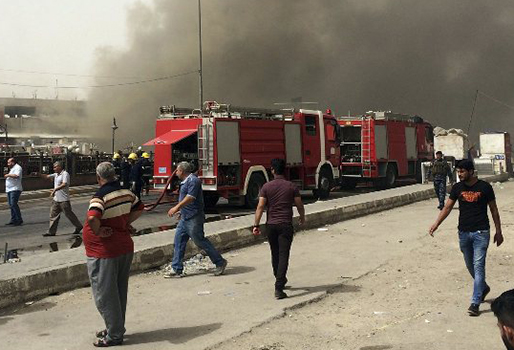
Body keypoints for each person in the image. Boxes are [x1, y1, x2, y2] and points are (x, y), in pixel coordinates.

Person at [429, 159, 503, 316]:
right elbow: (448, 207)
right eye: (458, 171)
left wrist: (498, 231)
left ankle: (475, 303)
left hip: (481, 232)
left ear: (471, 171)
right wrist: (437, 223)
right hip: (463, 232)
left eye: (462, 171)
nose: (459, 174)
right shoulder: (457, 188)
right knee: (470, 265)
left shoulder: (485, 187)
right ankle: (483, 287)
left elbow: (494, 210)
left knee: (478, 266)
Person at [83, 162, 143, 347]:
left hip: (105, 251)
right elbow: (140, 208)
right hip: (123, 248)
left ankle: (114, 335)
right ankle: (114, 327)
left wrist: (98, 231)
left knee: (105, 294)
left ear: (98, 177)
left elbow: (93, 217)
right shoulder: (126, 192)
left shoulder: (100, 196)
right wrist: (124, 222)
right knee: (118, 292)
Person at [253, 158, 305, 299]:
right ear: (284, 170)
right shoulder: (292, 186)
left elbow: (260, 206)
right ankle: (279, 286)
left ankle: (279, 277)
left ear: (272, 170)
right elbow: (299, 204)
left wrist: (256, 225)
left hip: (271, 225)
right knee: (283, 255)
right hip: (285, 225)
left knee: (275, 253)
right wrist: (302, 216)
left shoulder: (266, 187)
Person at [165, 161, 227, 278]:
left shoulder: (193, 181)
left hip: (194, 217)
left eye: (177, 170)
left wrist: (177, 207)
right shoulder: (186, 181)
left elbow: (190, 198)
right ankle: (176, 268)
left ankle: (219, 262)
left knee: (200, 241)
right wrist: (181, 211)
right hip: (185, 217)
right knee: (179, 241)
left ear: (182, 171)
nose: (176, 173)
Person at [41, 161, 83, 237]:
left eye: (55, 167)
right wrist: (38, 174)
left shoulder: (65, 174)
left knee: (69, 215)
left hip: (64, 200)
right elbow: (47, 177)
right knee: (53, 215)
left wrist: (55, 189)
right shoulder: (56, 175)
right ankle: (51, 231)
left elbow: (65, 183)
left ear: (60, 167)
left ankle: (78, 226)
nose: (54, 169)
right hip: (56, 199)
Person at [4, 157, 23, 226]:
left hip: (15, 189)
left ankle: (18, 219)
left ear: (13, 162)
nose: (8, 164)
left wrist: (8, 175)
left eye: (9, 162)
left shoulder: (18, 168)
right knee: (11, 205)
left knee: (13, 204)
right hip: (9, 189)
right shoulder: (12, 169)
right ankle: (13, 219)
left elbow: (16, 176)